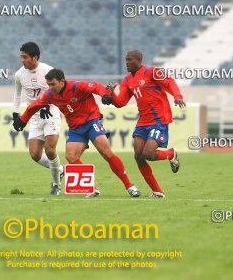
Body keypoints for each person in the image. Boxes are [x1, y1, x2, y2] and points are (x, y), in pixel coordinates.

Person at [13, 68, 141, 198]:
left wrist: (105, 95)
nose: (50, 87)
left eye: (53, 84)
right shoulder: (50, 94)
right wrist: (22, 120)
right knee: (71, 156)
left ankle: (130, 186)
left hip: (92, 122)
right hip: (76, 129)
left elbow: (96, 87)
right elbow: (35, 105)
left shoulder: (76, 86)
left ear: (62, 81)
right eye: (49, 85)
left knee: (106, 152)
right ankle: (92, 188)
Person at [103, 50, 186, 198]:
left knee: (148, 154)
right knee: (138, 156)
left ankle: (171, 154)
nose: (126, 63)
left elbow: (170, 82)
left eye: (130, 60)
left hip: (159, 119)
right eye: (125, 60)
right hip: (143, 121)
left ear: (139, 60)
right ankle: (157, 191)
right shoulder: (127, 79)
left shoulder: (152, 72)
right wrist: (111, 95)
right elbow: (121, 103)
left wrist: (178, 96)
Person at [13, 42, 64, 195]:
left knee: (49, 150)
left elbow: (59, 92)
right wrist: (16, 114)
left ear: (35, 57)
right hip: (34, 117)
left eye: (25, 57)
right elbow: (17, 94)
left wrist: (47, 105)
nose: (22, 60)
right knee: (35, 154)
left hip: (51, 113)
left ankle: (56, 185)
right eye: (21, 57)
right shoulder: (19, 74)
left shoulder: (48, 71)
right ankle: (60, 170)